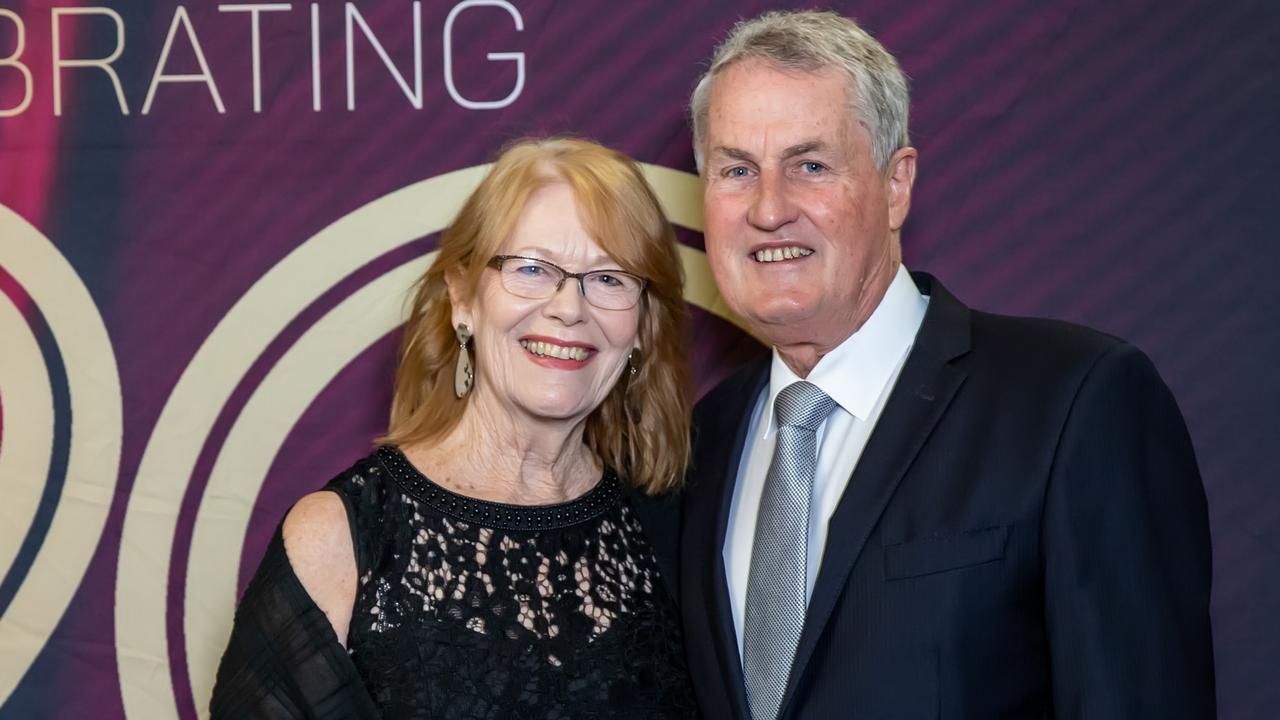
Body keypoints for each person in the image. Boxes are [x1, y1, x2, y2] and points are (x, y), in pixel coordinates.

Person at [679, 10, 1215, 720]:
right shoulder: (700, 445)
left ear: (896, 185)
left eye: (810, 165)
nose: (769, 209)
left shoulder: (1073, 404)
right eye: (737, 169)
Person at [211, 137, 698, 718]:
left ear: (642, 326)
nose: (570, 308)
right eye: (532, 268)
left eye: (610, 278)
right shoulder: (341, 539)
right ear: (462, 297)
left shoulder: (679, 535)